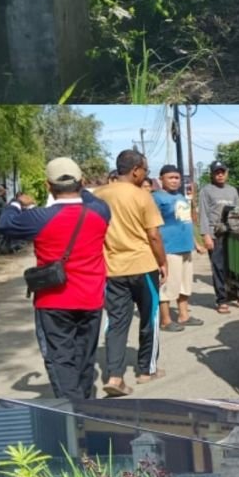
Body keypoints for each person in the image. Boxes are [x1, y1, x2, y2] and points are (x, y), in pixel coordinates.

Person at [0, 158, 111, 403]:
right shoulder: (100, 212)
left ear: (49, 186)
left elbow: (4, 224)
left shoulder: (39, 217)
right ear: (81, 182)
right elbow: (92, 199)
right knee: (85, 356)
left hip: (54, 300)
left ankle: (72, 411)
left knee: (61, 359)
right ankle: (85, 405)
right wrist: (81, 188)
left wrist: (17, 202)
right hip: (92, 298)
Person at [95, 150, 168, 397]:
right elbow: (154, 235)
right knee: (150, 319)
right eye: (145, 170)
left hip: (111, 268)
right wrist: (163, 262)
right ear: (136, 170)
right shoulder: (142, 196)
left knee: (116, 322)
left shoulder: (99, 195)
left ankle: (115, 377)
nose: (145, 175)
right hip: (143, 266)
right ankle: (146, 370)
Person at [153, 165, 205, 332]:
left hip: (185, 247)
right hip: (169, 248)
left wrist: (196, 243)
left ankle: (184, 315)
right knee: (168, 285)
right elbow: (152, 226)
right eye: (170, 177)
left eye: (177, 178)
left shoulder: (181, 197)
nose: (175, 181)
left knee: (185, 284)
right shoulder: (157, 198)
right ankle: (166, 320)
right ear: (161, 179)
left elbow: (186, 221)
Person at [199, 160, 239, 315]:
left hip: (231, 233)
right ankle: (221, 300)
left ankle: (236, 294)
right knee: (218, 267)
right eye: (217, 172)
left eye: (222, 172)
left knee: (234, 266)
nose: (220, 175)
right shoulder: (207, 191)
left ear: (227, 173)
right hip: (215, 233)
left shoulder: (232, 191)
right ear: (212, 174)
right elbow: (203, 214)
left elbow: (238, 212)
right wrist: (206, 236)